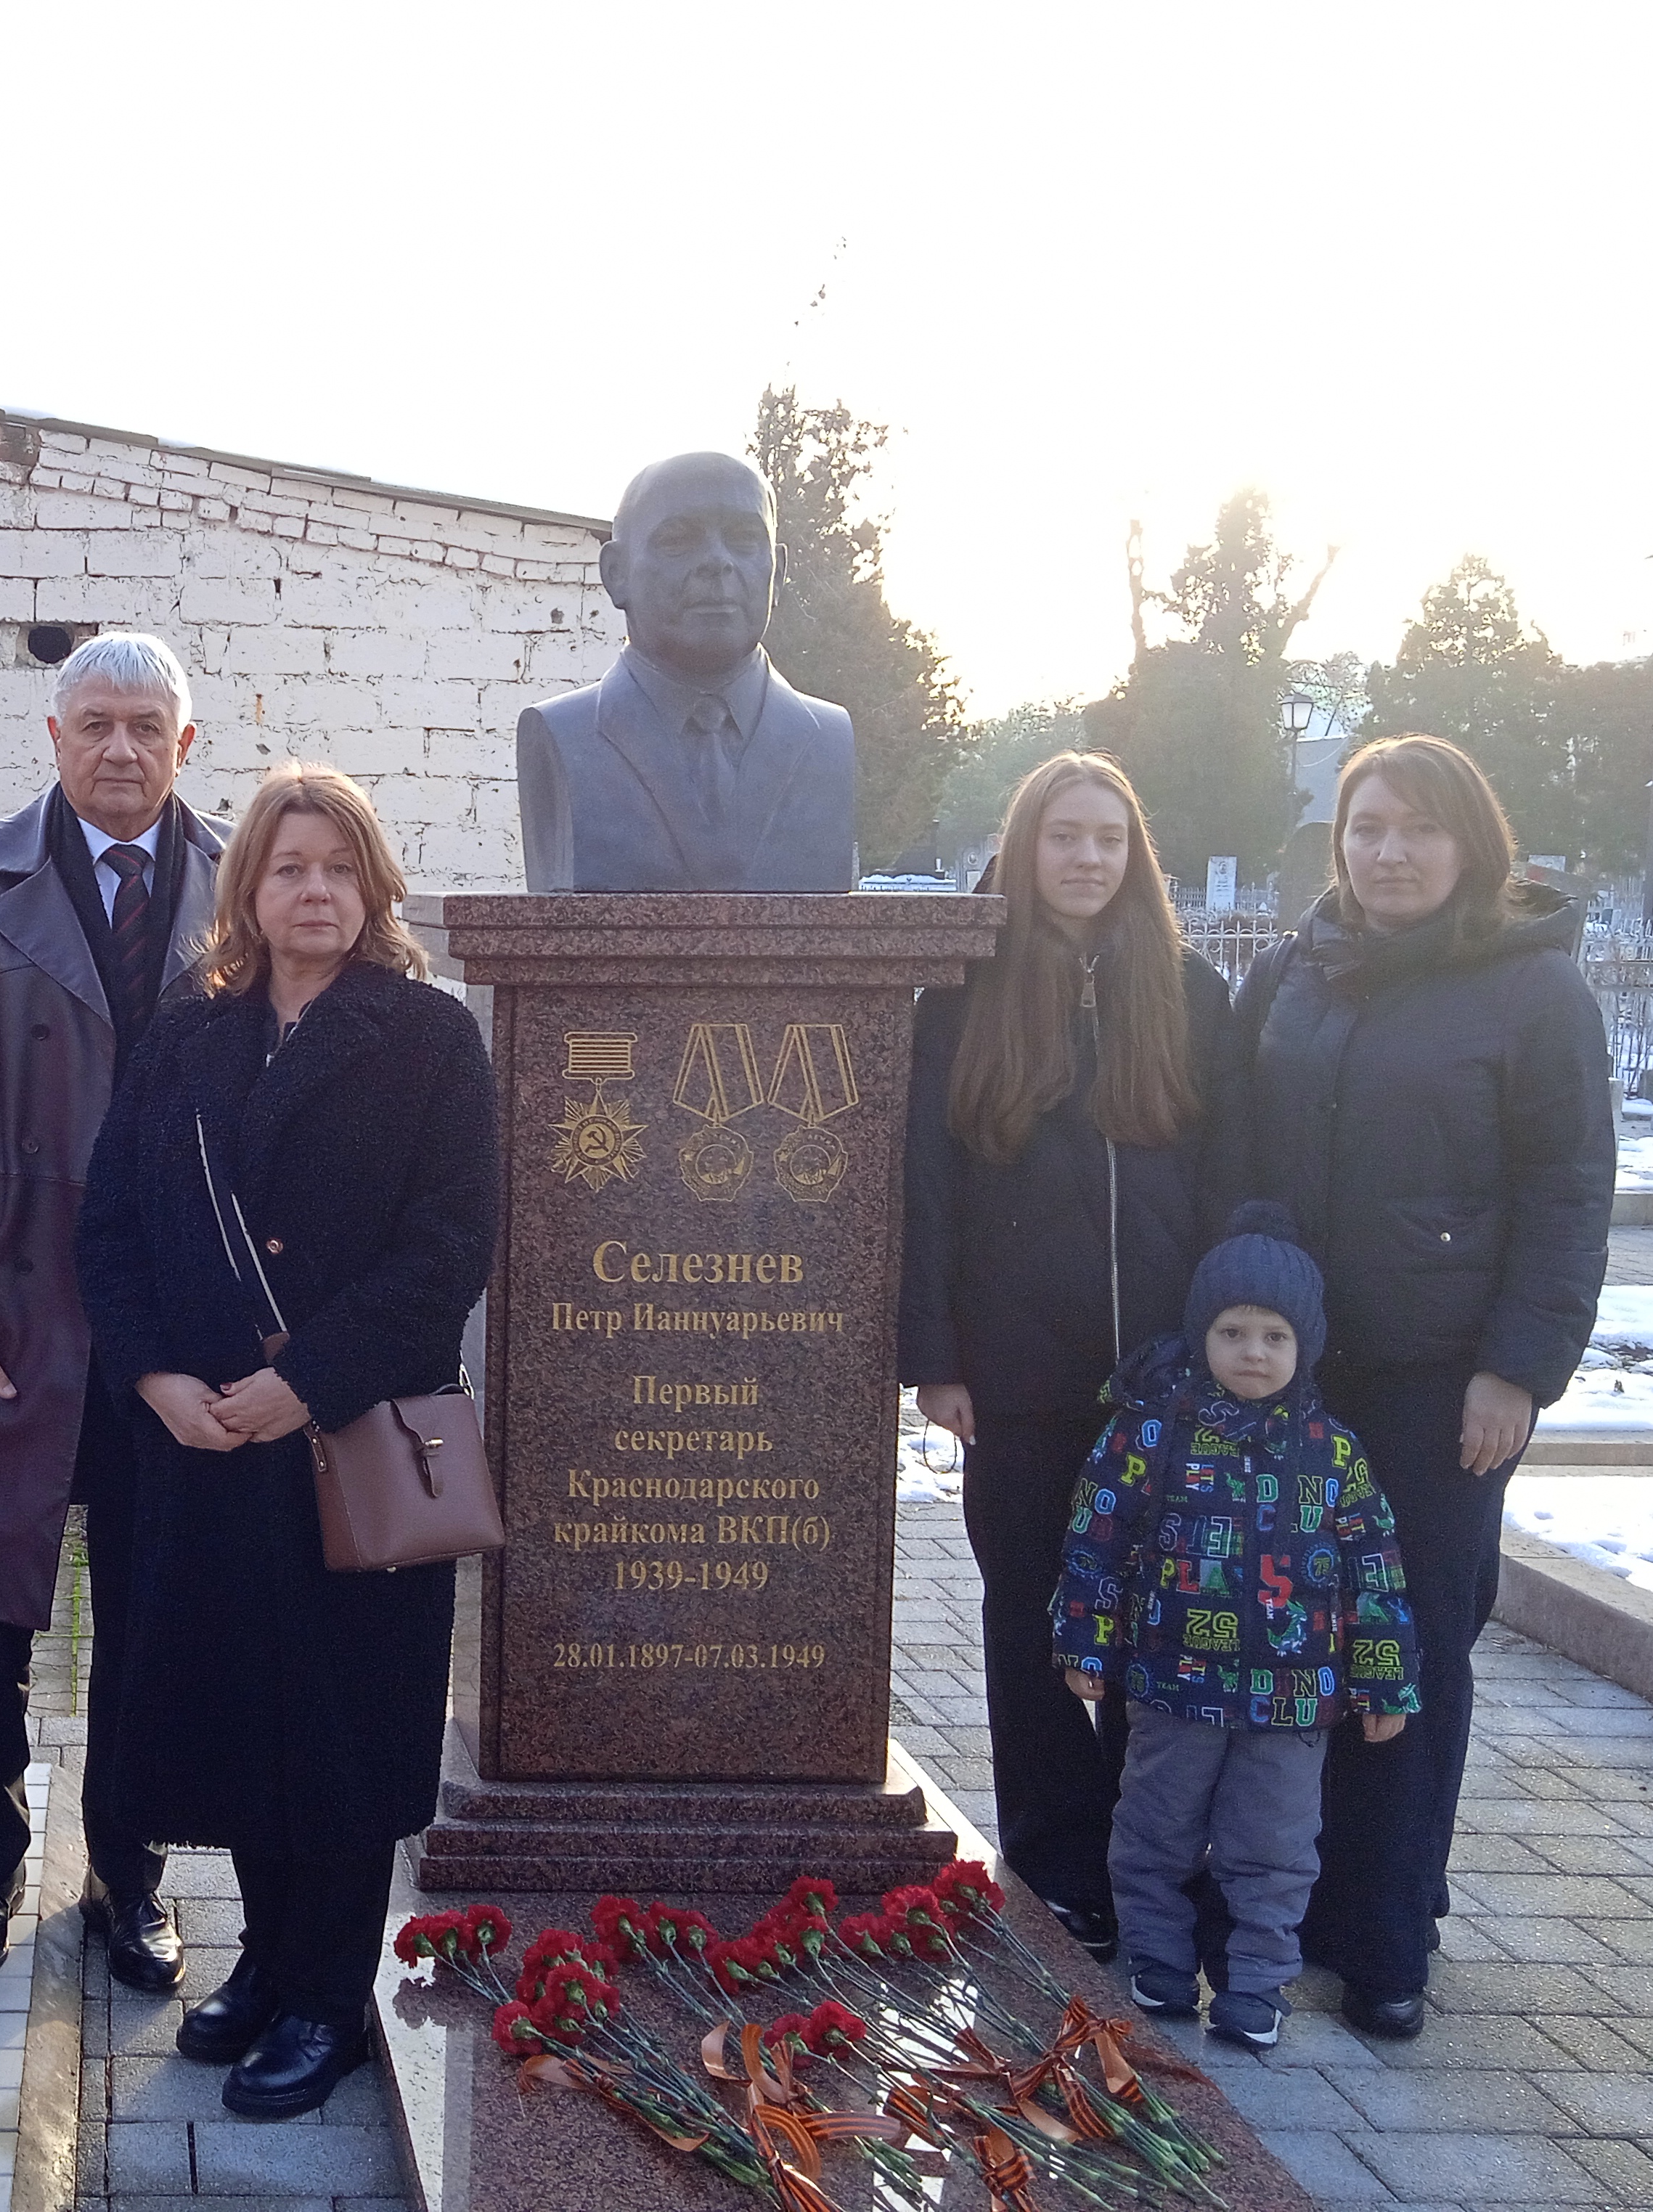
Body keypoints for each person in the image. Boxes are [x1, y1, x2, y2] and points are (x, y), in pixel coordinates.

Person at [77, 762, 497, 2120]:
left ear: (373, 886)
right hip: (203, 1445)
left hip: (350, 1442)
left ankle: (328, 1996)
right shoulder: (186, 1038)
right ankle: (266, 1960)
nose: (314, 890)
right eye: (287, 867)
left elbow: (450, 1250)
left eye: (338, 867)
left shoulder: (429, 1038)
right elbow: (111, 1227)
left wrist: (305, 1381)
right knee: (241, 1714)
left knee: (342, 1729)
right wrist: (154, 1379)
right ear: (247, 890)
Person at [1221, 733, 1611, 2038]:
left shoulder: (1533, 991)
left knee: (1410, 1652)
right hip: (1294, 1382)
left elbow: (1568, 1193)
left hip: (1441, 1387)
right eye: (1368, 827)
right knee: (1288, 1643)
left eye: (1420, 828)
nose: (1390, 853)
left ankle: (1387, 1936)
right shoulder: (1293, 970)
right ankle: (1283, 1904)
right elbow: (1238, 1152)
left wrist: (1518, 1370)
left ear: (1471, 843)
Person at [0, 632, 222, 1989]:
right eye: (96, 724)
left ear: (186, 745)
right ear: (53, 736)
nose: (120, 750)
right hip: (12, 1310)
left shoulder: (248, 883)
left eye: (147, 727)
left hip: (179, 1326)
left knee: (156, 1611)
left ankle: (128, 1875)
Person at [897, 753, 1230, 1959]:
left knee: (1152, 1620)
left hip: (1163, 1378)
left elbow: (1230, 1176)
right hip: (1019, 1372)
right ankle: (1056, 1857)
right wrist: (937, 1353)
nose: (1088, 858)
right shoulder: (965, 996)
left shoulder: (1191, 993)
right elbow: (928, 1186)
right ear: (1025, 849)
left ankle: (1152, 1852)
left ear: (1136, 855)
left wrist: (1229, 1342)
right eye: (1065, 836)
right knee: (1032, 1616)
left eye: (1109, 838)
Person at [1054, 1204, 1420, 2051]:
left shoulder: (1332, 1451)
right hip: (1173, 1684)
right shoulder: (1150, 1432)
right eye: (1231, 1332)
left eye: (1273, 1337)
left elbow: (1374, 1570)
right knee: (1154, 1829)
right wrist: (1083, 1640)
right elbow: (1096, 1537)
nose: (1252, 1352)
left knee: (1274, 1846)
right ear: (1200, 1336)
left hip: (1291, 1701)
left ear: (1304, 1347)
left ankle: (1256, 1980)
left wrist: (1383, 1681)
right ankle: (1157, 1959)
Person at [516, 449, 855, 892]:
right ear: (616, 574)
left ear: (778, 573)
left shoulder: (828, 738)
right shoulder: (563, 734)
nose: (718, 561)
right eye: (678, 540)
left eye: (743, 539)